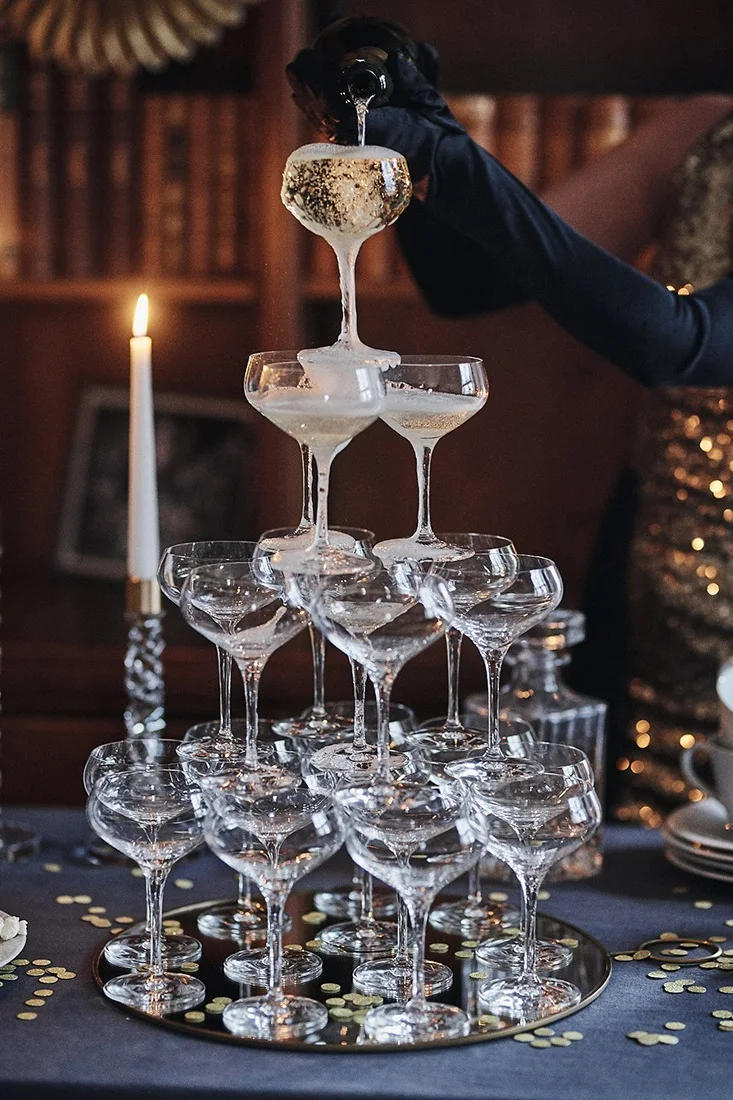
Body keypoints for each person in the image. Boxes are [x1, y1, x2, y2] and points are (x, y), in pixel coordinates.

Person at [289, 40, 733, 821]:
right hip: (656, 554)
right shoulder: (705, 131)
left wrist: (451, 160)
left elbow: (680, 346)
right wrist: (420, 132)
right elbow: (467, 281)